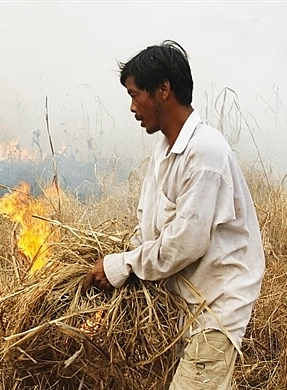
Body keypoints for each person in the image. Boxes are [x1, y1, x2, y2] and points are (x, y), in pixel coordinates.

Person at [82, 40, 265, 389]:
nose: (132, 107)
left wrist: (122, 267)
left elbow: (186, 243)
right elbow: (150, 226)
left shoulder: (205, 153)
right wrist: (118, 263)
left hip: (216, 309)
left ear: (163, 89)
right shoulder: (165, 150)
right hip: (189, 307)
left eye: (136, 95)